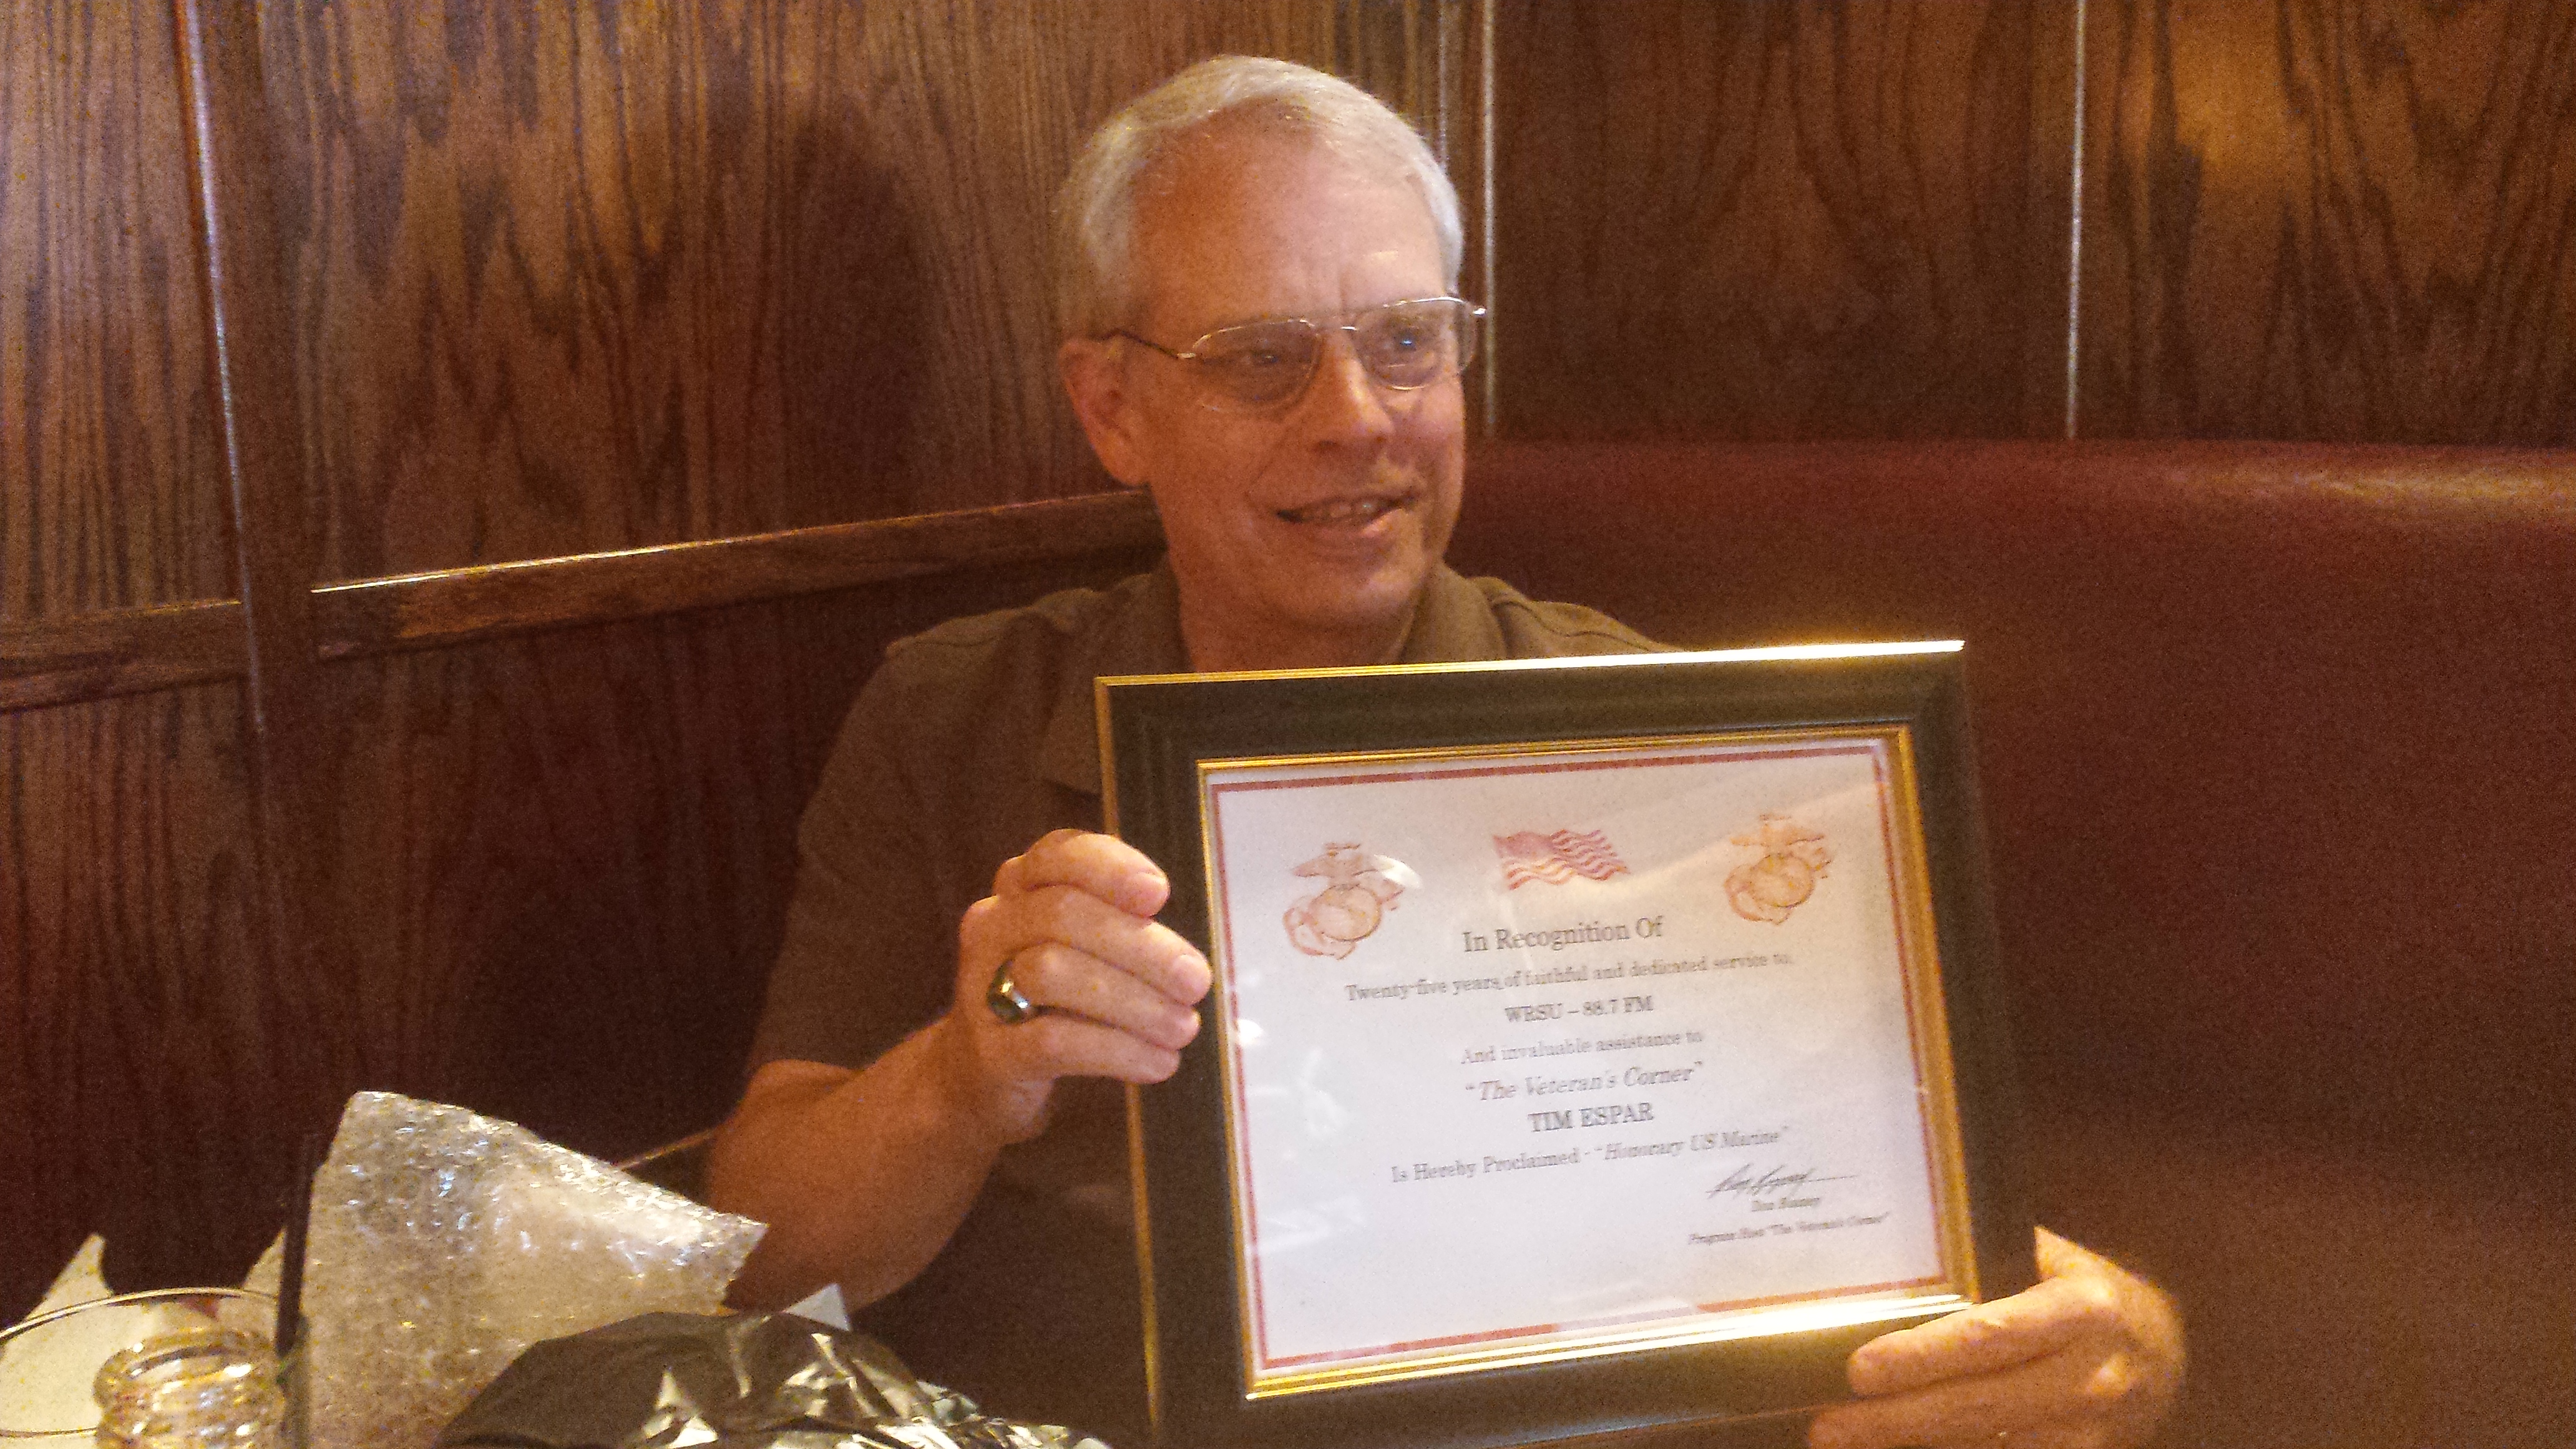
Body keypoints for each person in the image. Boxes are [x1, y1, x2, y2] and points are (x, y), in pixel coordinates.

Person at [707, 55, 2183, 1449]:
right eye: (1264, 359)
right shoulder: (953, 706)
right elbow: (759, 1256)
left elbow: (1902, 1227)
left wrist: (2116, 1339)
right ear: (1112, 408)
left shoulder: (1684, 751)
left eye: (1406, 342)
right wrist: (968, 1076)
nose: (1359, 420)